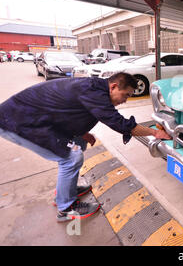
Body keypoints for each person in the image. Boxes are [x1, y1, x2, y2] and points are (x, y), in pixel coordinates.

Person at [0, 72, 171, 222]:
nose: (125, 101)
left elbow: (68, 111)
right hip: (19, 122)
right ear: (113, 86)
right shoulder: (94, 92)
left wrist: (82, 133)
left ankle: (67, 190)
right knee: (71, 157)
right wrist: (155, 133)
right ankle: (65, 209)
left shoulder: (95, 89)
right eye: (125, 95)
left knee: (78, 144)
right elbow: (120, 124)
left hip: (37, 119)